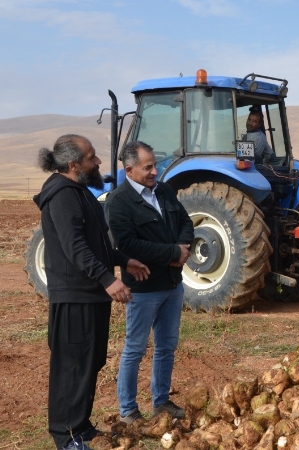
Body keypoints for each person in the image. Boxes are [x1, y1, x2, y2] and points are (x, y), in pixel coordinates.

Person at [34, 134, 150, 450]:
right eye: (92, 157)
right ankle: (66, 435)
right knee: (72, 365)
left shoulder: (80, 192)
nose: (98, 161)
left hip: (90, 295)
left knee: (90, 361)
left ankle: (81, 427)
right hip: (74, 296)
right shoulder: (61, 196)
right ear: (74, 165)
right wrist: (107, 279)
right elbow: (75, 247)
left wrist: (124, 260)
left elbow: (97, 244)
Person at [105, 141, 194, 424]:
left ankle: (161, 402)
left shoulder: (164, 191)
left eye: (155, 165)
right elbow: (127, 243)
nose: (155, 171)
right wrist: (172, 254)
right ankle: (128, 410)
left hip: (172, 285)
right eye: (148, 167)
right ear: (129, 170)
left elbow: (185, 222)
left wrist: (182, 247)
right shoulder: (118, 202)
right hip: (143, 289)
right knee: (136, 348)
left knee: (167, 346)